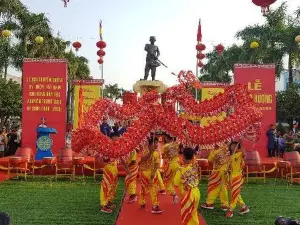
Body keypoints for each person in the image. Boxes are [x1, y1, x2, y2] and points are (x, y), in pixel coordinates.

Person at [174, 147, 201, 225]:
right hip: (196, 192)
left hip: (188, 194)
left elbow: (175, 183)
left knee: (187, 216)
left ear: (184, 157)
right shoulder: (194, 164)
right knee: (193, 213)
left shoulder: (181, 170)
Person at [138, 137, 163, 214]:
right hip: (144, 173)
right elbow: (141, 160)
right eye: (154, 143)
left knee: (154, 189)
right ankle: (142, 202)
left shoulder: (157, 153)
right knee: (143, 188)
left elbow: (157, 165)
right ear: (149, 144)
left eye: (157, 143)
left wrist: (153, 173)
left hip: (152, 173)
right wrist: (150, 153)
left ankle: (155, 206)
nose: (156, 144)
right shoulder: (144, 151)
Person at [201, 143, 229, 211]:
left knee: (214, 186)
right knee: (222, 187)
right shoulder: (224, 148)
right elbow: (210, 161)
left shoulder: (218, 150)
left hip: (218, 171)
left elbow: (210, 160)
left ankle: (210, 203)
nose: (215, 143)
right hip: (222, 171)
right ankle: (224, 205)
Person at [226, 140, 249, 218]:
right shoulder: (231, 155)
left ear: (237, 146)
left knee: (234, 193)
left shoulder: (239, 154)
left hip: (238, 176)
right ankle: (244, 207)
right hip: (231, 176)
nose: (233, 147)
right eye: (232, 145)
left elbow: (244, 154)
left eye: (235, 145)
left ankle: (230, 210)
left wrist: (241, 143)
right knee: (235, 193)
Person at [100, 132, 119, 213]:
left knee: (113, 186)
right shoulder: (107, 146)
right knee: (106, 186)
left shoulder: (116, 146)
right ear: (112, 137)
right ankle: (103, 205)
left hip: (114, 167)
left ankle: (108, 201)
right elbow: (104, 159)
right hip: (108, 168)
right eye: (116, 137)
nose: (118, 138)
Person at [161, 134, 180, 201]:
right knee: (174, 180)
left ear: (166, 137)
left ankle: (174, 195)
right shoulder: (176, 144)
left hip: (170, 165)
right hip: (178, 164)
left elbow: (163, 157)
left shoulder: (165, 146)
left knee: (167, 181)